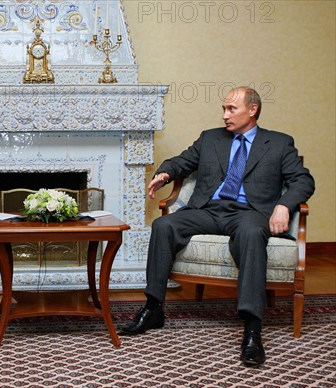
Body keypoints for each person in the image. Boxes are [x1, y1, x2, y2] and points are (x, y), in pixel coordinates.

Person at [118, 86, 315, 366]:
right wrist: (165, 173)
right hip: (208, 210)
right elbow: (181, 161)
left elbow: (303, 181)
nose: (225, 115)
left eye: (231, 109)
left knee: (250, 232)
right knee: (164, 225)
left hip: (249, 213)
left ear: (253, 109)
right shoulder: (210, 139)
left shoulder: (280, 143)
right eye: (223, 109)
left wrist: (283, 205)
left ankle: (252, 327)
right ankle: (153, 308)